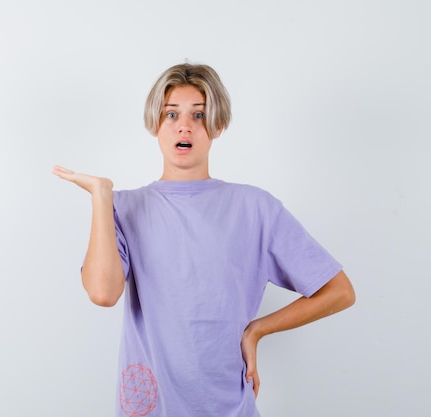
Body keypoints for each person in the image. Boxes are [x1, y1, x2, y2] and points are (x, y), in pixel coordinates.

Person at [53, 63, 355, 417]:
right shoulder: (124, 208)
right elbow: (102, 293)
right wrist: (102, 196)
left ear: (218, 125)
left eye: (199, 114)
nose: (184, 125)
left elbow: (339, 291)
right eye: (171, 115)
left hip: (228, 407)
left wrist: (257, 330)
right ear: (155, 124)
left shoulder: (255, 208)